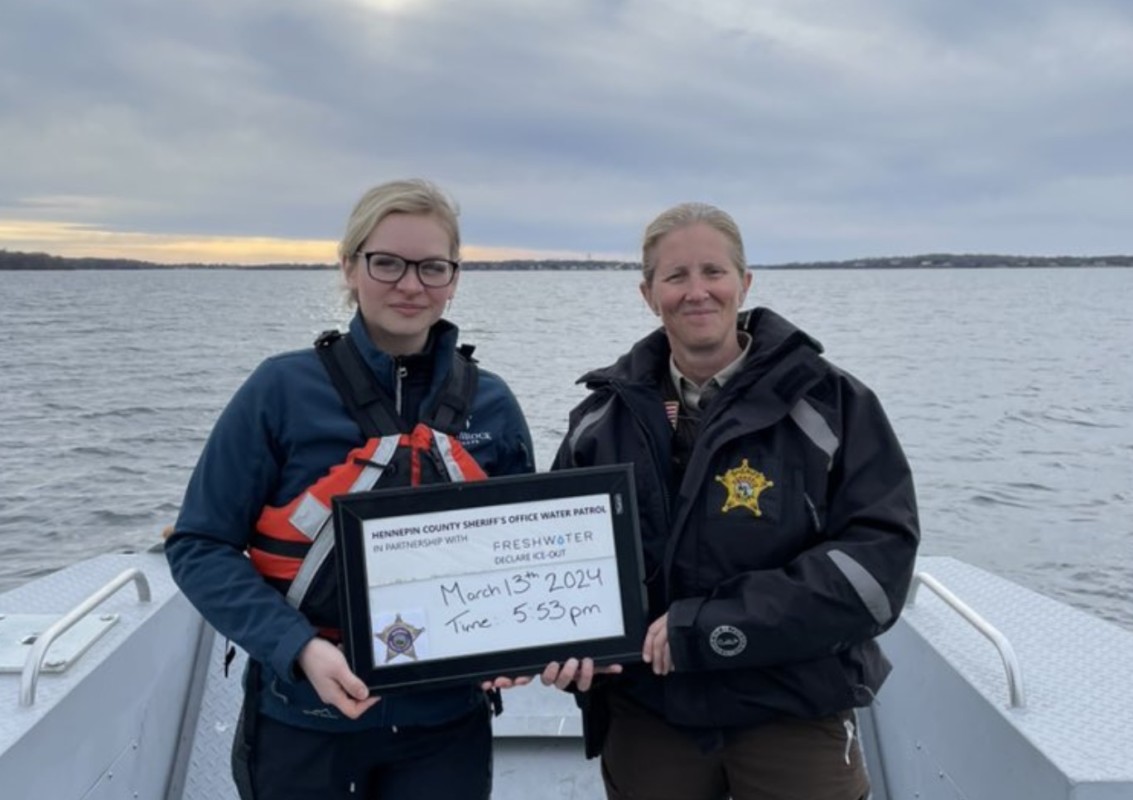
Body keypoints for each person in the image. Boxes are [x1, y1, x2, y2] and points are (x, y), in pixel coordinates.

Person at [166, 178, 535, 799]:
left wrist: (526, 646)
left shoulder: (491, 404)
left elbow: (525, 553)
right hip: (303, 718)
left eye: (432, 266)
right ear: (349, 266)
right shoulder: (279, 391)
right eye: (387, 262)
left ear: (455, 276)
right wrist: (300, 648)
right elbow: (199, 545)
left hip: (446, 727)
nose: (411, 284)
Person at [543, 202, 919, 800]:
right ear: (648, 294)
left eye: (713, 272)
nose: (697, 292)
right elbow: (560, 564)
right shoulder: (599, 421)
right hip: (650, 714)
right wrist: (562, 645)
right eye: (675, 277)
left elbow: (875, 571)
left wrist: (713, 626)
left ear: (744, 283)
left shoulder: (833, 403)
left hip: (792, 706)